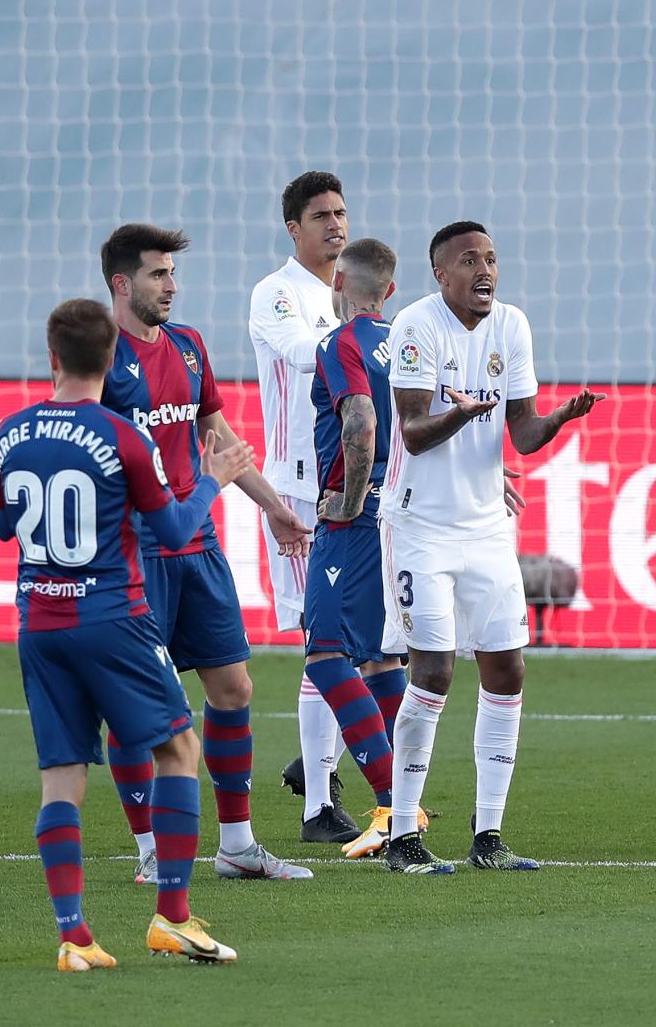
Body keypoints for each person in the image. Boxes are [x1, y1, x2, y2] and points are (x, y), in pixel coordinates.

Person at [0, 298, 249, 969]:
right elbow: (172, 531)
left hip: (39, 625)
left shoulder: (8, 435)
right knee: (179, 749)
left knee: (62, 778)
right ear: (111, 360)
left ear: (52, 358)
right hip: (113, 618)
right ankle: (173, 917)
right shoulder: (121, 436)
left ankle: (73, 937)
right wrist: (215, 479)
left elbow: (0, 528)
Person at [379, 221, 604, 875]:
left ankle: (489, 837)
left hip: (485, 531)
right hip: (420, 527)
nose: (486, 270)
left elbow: (524, 432)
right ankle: (402, 836)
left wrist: (559, 419)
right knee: (435, 671)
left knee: (507, 668)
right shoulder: (415, 328)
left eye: (492, 259)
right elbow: (416, 432)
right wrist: (461, 413)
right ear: (440, 274)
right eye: (470, 260)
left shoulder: (512, 326)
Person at [99, 224, 313, 882]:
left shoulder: (188, 347)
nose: (171, 285)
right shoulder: (99, 358)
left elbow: (217, 434)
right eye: (158, 274)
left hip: (199, 545)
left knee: (234, 685)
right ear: (121, 283)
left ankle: (238, 846)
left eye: (172, 273)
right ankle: (147, 849)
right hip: (134, 556)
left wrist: (273, 506)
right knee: (140, 707)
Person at [248, 171, 357, 842]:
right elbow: (299, 353)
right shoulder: (277, 293)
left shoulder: (350, 298)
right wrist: (366, 339)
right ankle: (319, 806)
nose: (335, 225)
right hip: (298, 489)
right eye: (321, 215)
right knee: (328, 641)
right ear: (294, 227)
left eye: (342, 213)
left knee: (383, 643)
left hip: (357, 486)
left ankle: (318, 762)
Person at [298, 237, 416, 859]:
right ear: (390, 290)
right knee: (379, 662)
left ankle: (391, 804)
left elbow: (360, 422)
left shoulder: (338, 343)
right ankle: (405, 799)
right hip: (402, 515)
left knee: (324, 653)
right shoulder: (409, 340)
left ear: (337, 280)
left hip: (356, 519)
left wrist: (347, 500)